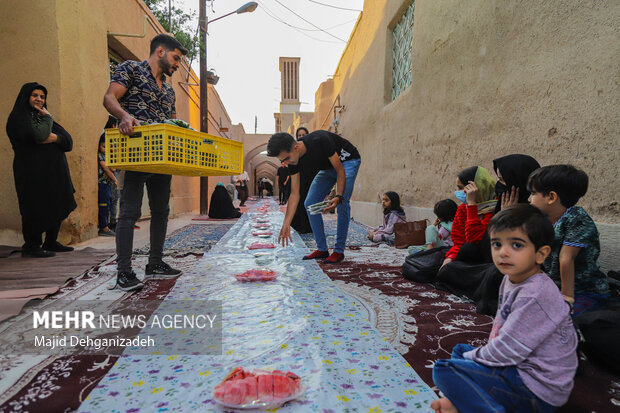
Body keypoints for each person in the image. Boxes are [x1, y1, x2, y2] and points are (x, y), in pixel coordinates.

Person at [432, 204, 578, 413]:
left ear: (541, 254)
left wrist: (477, 362)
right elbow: (502, 331)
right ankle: (465, 402)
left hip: (536, 390)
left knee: (444, 369)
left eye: (516, 245)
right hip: (519, 367)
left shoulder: (533, 294)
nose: (503, 253)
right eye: (497, 244)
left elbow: (507, 350)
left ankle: (480, 407)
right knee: (460, 351)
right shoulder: (513, 278)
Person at [103, 34, 187, 291]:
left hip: (161, 158)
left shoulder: (170, 90)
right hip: (135, 152)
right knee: (129, 212)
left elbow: (173, 121)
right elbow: (109, 98)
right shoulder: (130, 69)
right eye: (175, 58)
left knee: (161, 211)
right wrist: (124, 116)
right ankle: (124, 272)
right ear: (160, 51)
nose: (177, 65)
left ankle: (155, 263)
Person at [267, 130, 361, 264]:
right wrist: (286, 223)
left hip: (348, 161)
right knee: (310, 203)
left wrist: (339, 195)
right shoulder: (294, 162)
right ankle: (322, 249)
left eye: (287, 158)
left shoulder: (320, 140)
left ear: (296, 147)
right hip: (327, 168)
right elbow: (294, 194)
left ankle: (338, 251)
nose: (286, 163)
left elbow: (340, 170)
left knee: (343, 203)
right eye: (283, 160)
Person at [6, 82, 76, 258]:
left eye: (42, 96)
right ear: (26, 97)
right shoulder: (18, 118)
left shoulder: (43, 116)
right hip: (31, 172)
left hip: (53, 173)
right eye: (35, 95)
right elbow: (37, 136)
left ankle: (50, 241)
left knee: (57, 201)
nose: (39, 99)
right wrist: (47, 125)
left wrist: (54, 137)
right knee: (34, 205)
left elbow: (68, 141)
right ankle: (32, 245)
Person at [528, 165, 609, 315]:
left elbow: (566, 258)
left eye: (533, 193)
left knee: (559, 319)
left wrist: (566, 297)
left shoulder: (576, 219)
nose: (529, 199)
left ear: (551, 197)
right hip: (554, 286)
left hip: (582, 291)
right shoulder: (544, 220)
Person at [442, 166, 497, 266]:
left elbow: (474, 240)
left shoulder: (494, 208)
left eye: (460, 187)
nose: (458, 192)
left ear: (476, 187)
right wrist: (450, 258)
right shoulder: (463, 209)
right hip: (466, 257)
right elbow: (458, 241)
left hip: (487, 260)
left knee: (469, 248)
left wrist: (472, 204)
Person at [289, 127, 315, 234]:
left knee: (308, 201)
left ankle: (309, 226)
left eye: (303, 135)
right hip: (298, 179)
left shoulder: (312, 148)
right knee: (298, 201)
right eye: (299, 135)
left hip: (310, 179)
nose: (301, 137)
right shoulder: (294, 149)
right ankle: (298, 225)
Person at [97, 134, 118, 236]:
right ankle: (103, 227)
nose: (105, 149)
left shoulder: (107, 156)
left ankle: (106, 226)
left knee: (109, 203)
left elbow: (113, 169)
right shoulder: (100, 156)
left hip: (108, 184)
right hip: (102, 183)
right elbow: (107, 169)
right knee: (104, 205)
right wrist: (115, 179)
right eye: (103, 146)